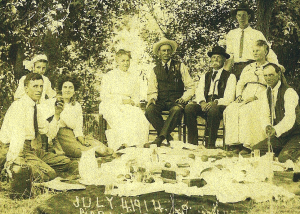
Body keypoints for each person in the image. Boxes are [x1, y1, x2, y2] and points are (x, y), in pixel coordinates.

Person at [0, 73, 72, 182]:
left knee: (65, 162)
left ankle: (36, 170)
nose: (39, 90)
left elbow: (48, 132)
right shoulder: (19, 106)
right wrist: (14, 159)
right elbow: (17, 136)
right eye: (35, 86)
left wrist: (57, 115)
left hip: (32, 150)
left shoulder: (35, 108)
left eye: (41, 86)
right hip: (16, 150)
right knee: (50, 173)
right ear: (26, 89)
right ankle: (12, 172)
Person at [145, 38, 195, 147]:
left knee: (176, 110)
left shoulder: (180, 66)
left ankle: (160, 138)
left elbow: (190, 87)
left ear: (171, 52)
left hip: (176, 100)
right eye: (163, 51)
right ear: (159, 53)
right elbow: (152, 89)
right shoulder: (155, 70)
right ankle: (168, 137)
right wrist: (152, 98)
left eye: (168, 50)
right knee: (149, 110)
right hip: (161, 100)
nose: (166, 53)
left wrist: (184, 98)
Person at [185, 46, 236, 148]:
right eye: (213, 57)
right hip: (206, 103)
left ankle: (210, 144)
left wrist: (215, 102)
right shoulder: (205, 76)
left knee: (213, 110)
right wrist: (202, 102)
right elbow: (199, 91)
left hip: (220, 105)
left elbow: (229, 97)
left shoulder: (230, 76)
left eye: (218, 57)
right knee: (189, 108)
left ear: (224, 60)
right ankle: (193, 143)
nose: (215, 59)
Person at [224, 40, 269, 153]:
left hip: (262, 96)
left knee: (248, 110)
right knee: (231, 109)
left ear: (266, 51)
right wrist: (239, 95)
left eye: (258, 50)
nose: (255, 53)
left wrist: (257, 97)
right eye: (253, 51)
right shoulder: (248, 67)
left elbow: (271, 86)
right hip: (246, 93)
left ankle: (248, 145)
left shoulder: (270, 67)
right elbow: (240, 83)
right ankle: (235, 144)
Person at [99, 49, 149, 151]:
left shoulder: (134, 77)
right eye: (123, 61)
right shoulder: (109, 76)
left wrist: (133, 102)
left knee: (140, 117)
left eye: (127, 60)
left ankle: (136, 147)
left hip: (128, 105)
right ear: (117, 61)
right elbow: (104, 95)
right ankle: (119, 147)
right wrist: (122, 101)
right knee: (119, 117)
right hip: (111, 103)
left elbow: (136, 96)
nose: (125, 63)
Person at [54, 75, 113, 158]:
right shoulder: (55, 103)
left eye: (70, 88)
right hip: (61, 136)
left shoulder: (77, 105)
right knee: (87, 153)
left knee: (103, 150)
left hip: (74, 136)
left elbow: (78, 127)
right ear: (61, 89)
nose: (67, 90)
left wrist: (82, 140)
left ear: (74, 90)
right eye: (65, 87)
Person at [252, 63, 300, 163]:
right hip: (280, 137)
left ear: (278, 74)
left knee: (284, 159)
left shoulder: (289, 92)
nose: (268, 78)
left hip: (295, 135)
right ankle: (284, 150)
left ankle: (290, 150)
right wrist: (267, 126)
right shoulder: (267, 92)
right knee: (256, 150)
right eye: (265, 75)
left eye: (271, 75)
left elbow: (290, 119)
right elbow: (264, 114)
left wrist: (276, 129)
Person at [225, 2, 278, 80]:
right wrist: (224, 73)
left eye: (244, 15)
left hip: (252, 67)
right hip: (236, 68)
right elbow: (229, 55)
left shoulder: (256, 34)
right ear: (236, 17)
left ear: (249, 16)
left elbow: (267, 51)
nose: (241, 18)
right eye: (239, 15)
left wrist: (276, 66)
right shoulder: (231, 34)